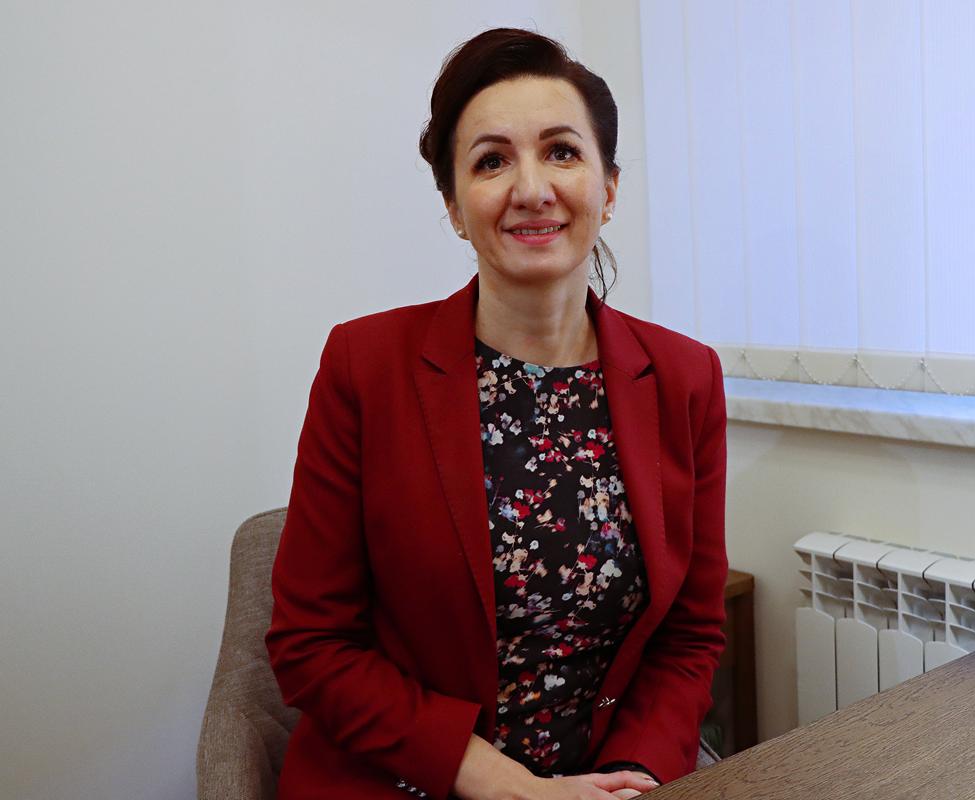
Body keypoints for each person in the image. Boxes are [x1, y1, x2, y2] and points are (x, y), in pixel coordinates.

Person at [266, 27, 728, 800]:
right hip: (408, 781)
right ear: (454, 207)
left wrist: (635, 775)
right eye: (491, 161)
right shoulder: (364, 366)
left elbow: (689, 635)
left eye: (561, 152)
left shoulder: (685, 378)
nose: (531, 188)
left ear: (609, 188)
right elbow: (310, 644)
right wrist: (504, 785)